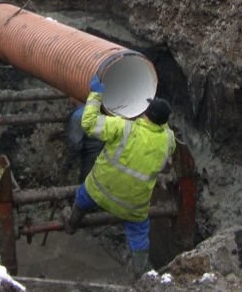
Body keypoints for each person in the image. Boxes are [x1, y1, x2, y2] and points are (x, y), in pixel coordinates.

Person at [63, 76, 176, 278]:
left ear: (146, 113)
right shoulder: (168, 140)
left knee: (82, 196)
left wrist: (96, 95)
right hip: (133, 205)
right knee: (140, 234)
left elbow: (88, 123)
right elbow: (167, 133)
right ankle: (140, 274)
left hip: (99, 190)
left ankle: (72, 224)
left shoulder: (124, 128)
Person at [65, 102, 104, 183]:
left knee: (86, 183)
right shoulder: (101, 107)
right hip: (108, 153)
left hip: (91, 156)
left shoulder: (77, 116)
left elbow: (75, 144)